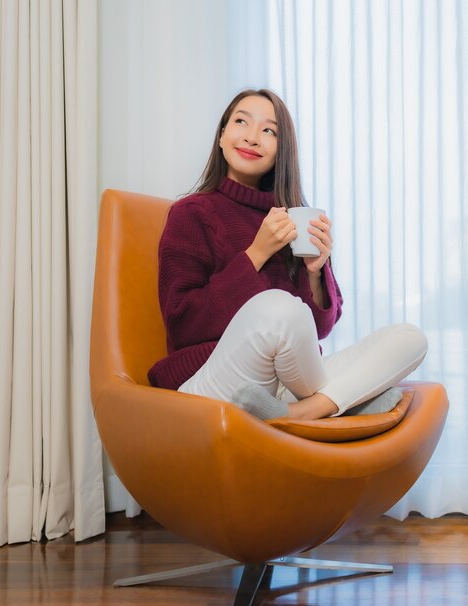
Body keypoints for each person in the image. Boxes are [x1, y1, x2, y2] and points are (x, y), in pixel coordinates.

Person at [147, 88, 427, 421]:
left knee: (410, 338)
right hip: (213, 379)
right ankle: (342, 404)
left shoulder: (294, 219)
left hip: (283, 387)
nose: (252, 137)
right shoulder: (191, 213)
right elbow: (182, 324)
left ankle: (300, 411)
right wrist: (256, 254)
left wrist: (315, 271)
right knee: (281, 308)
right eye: (241, 122)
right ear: (221, 136)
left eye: (269, 130)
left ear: (282, 151)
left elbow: (316, 331)